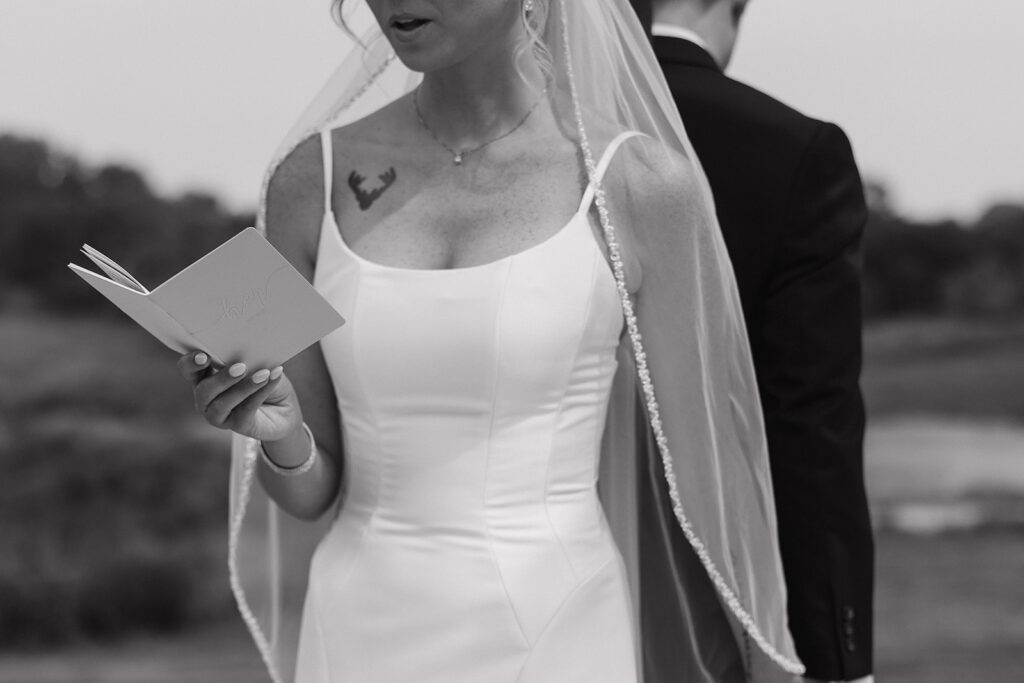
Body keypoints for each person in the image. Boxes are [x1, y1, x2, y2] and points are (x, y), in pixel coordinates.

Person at [179, 1, 806, 681]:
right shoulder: (308, 181)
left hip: (555, 626)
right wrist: (279, 432)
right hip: (357, 626)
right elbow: (311, 489)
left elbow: (714, 479)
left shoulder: (643, 186)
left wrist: (773, 665)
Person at [630, 1, 875, 682]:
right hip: (718, 599)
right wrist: (839, 654)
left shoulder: (510, 133)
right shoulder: (793, 149)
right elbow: (812, 426)